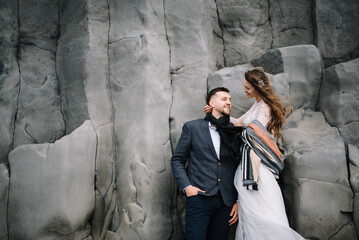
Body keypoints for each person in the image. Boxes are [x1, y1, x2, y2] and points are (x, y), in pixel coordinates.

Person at [204, 68, 304, 240]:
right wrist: (215, 114)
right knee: (250, 216)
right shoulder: (256, 105)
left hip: (258, 168)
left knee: (261, 214)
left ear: (257, 87)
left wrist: (220, 121)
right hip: (247, 165)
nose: (244, 91)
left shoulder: (265, 107)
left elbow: (254, 132)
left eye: (247, 88)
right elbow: (238, 123)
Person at [171, 87, 243, 240]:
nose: (229, 102)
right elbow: (177, 160)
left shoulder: (233, 132)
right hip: (199, 199)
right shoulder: (193, 127)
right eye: (224, 99)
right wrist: (188, 188)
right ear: (211, 102)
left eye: (230, 100)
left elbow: (238, 166)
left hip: (226, 203)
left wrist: (237, 200)